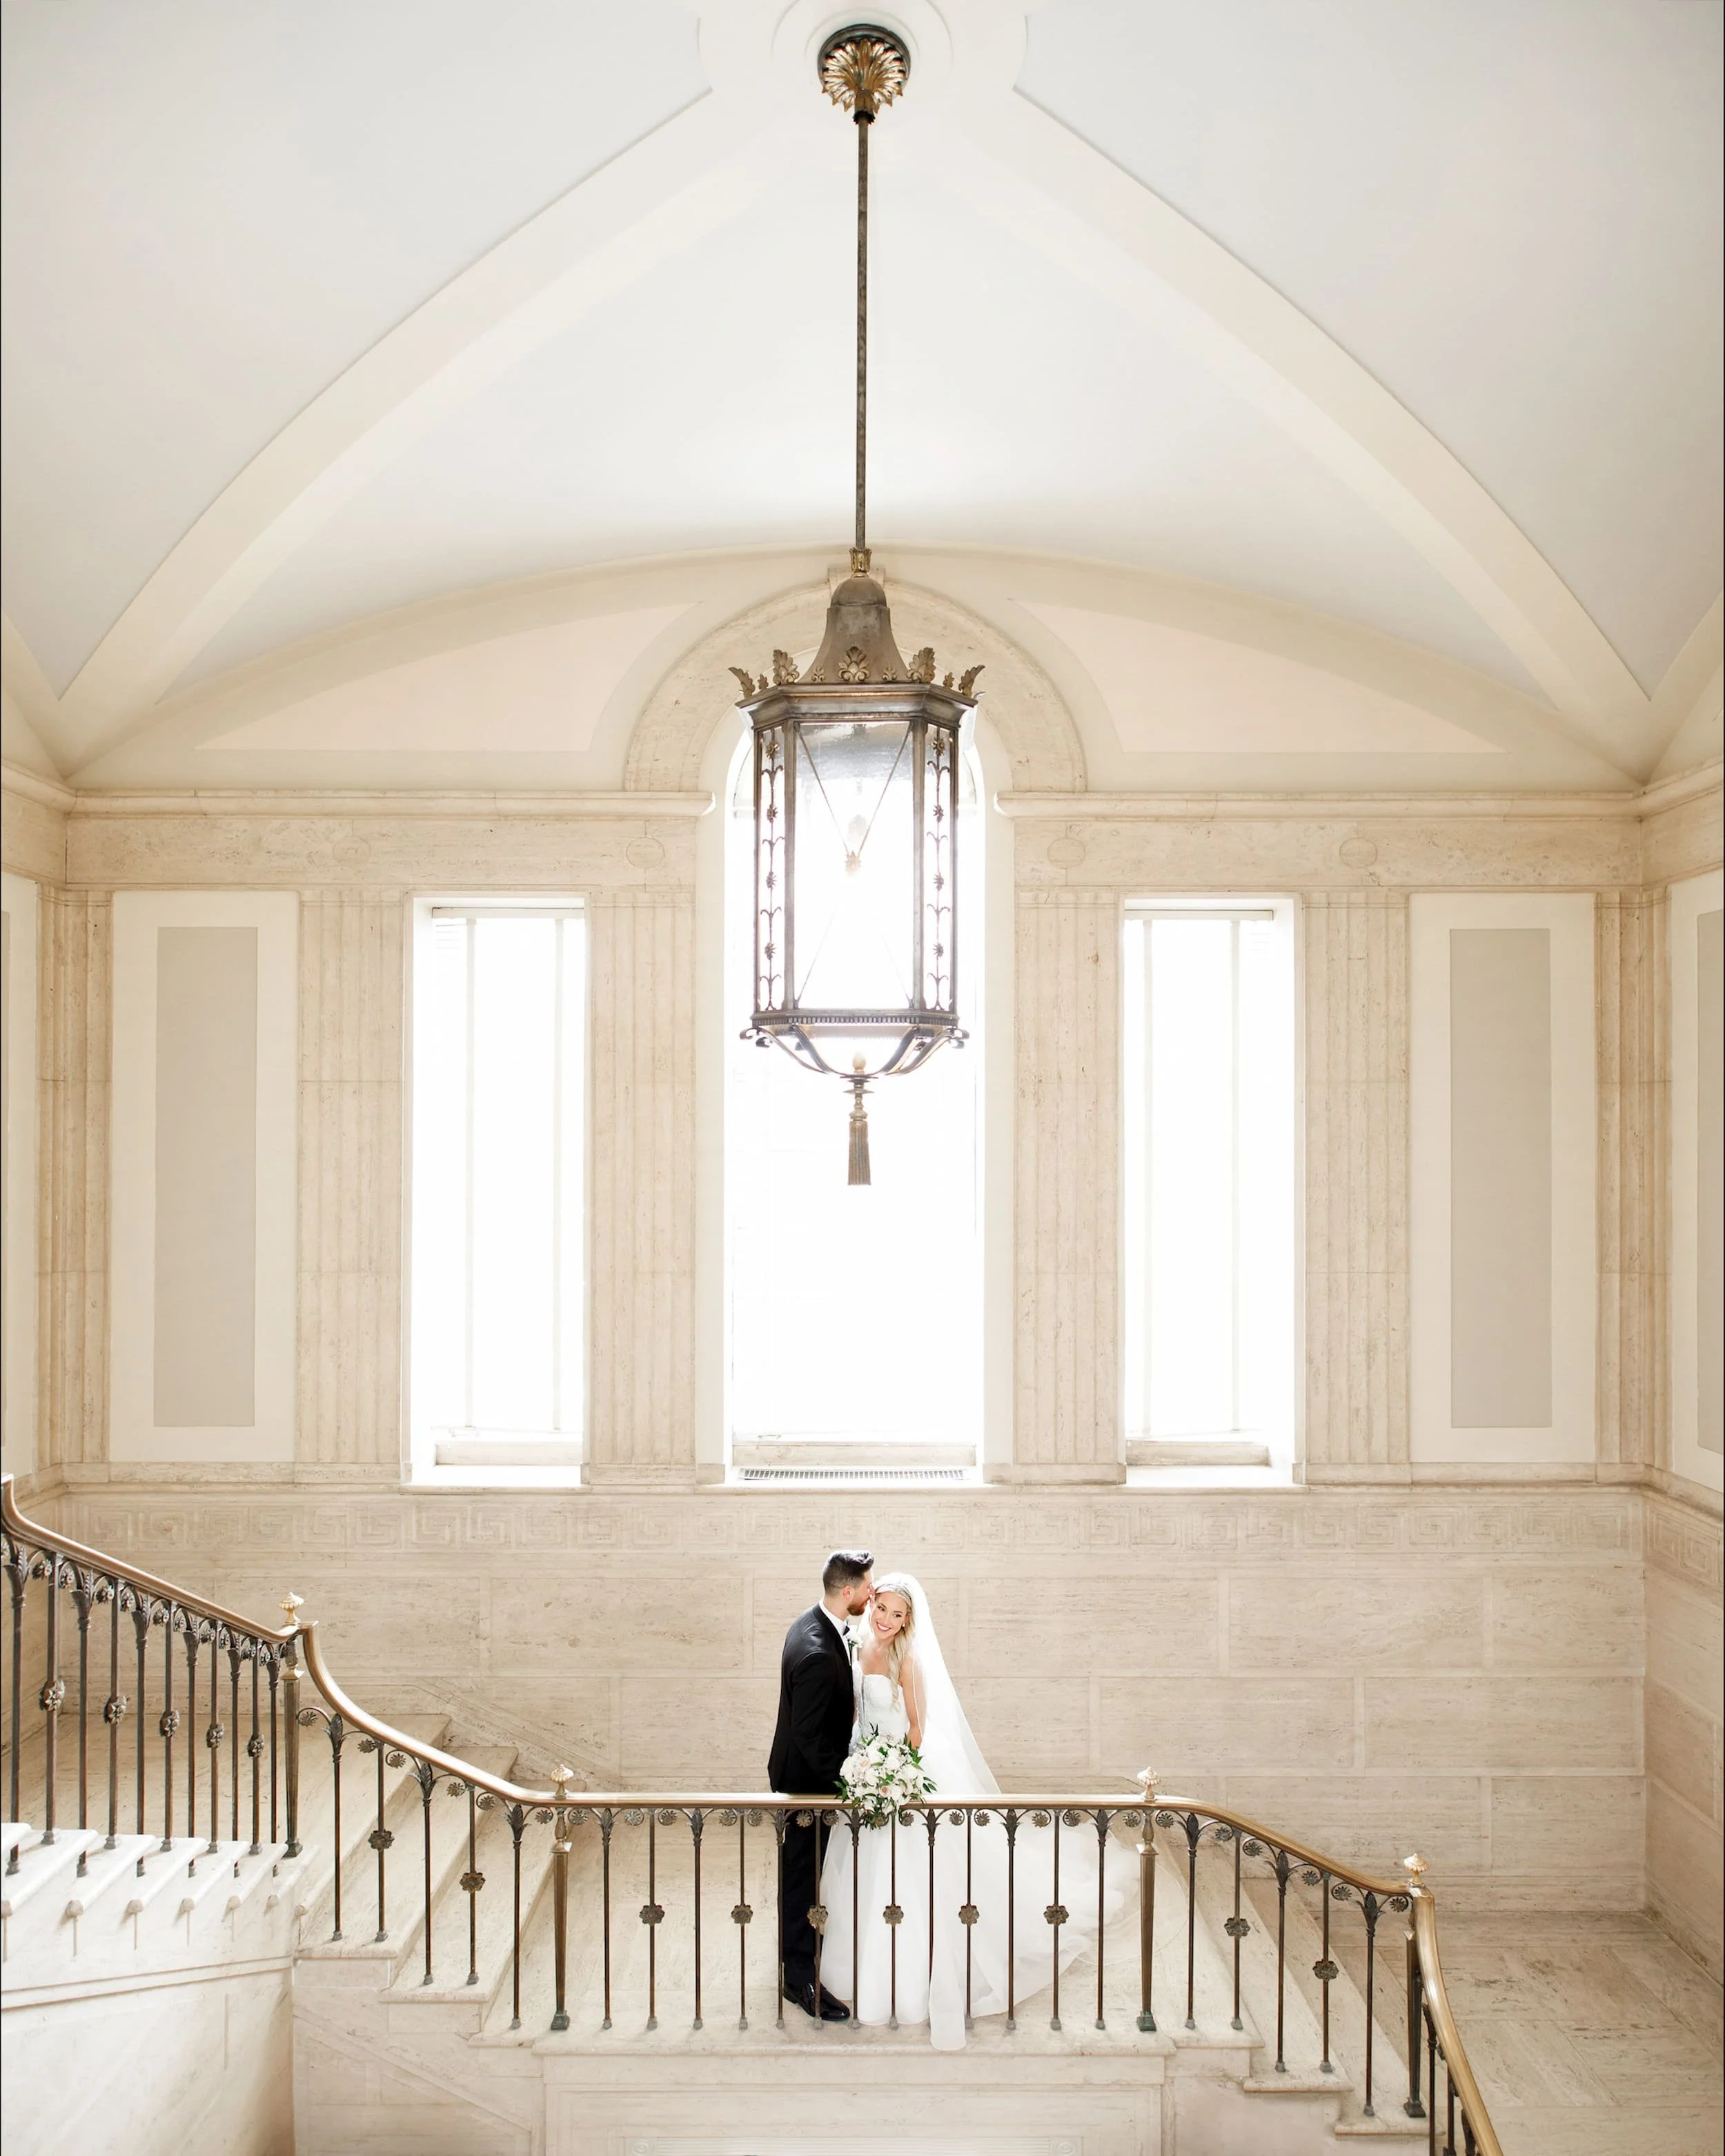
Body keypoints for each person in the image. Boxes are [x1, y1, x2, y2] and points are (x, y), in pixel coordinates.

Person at [818, 1570, 1119, 2049]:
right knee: (866, 1869)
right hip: (868, 1768)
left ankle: (925, 1969)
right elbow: (856, 1709)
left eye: (899, 1615)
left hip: (902, 1773)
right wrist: (859, 1761)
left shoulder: (908, 1660)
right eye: (883, 1609)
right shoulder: (856, 1645)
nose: (888, 1620)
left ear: (909, 1620)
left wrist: (895, 1774)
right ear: (870, 1603)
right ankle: (864, 1963)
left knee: (917, 1872)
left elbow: (917, 1727)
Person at [767, 1547, 872, 2021]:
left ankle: (803, 1958)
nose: (871, 1596)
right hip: (806, 1787)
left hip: (809, 1778)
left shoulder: (812, 1622)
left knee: (808, 1874)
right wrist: (852, 1780)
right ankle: (799, 1978)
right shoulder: (814, 1651)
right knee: (801, 1878)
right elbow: (808, 1736)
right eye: (867, 1589)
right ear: (847, 1590)